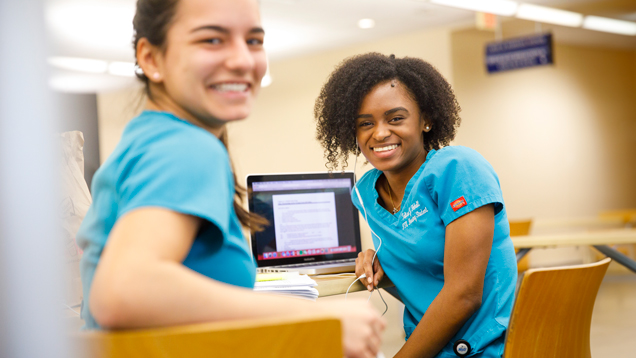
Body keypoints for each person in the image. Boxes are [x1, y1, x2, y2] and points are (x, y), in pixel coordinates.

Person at [76, 1, 385, 357]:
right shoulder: (187, 146)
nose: (242, 60)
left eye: (254, 41)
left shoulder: (147, 138)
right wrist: (317, 320)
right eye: (211, 40)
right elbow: (123, 290)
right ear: (150, 58)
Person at [314, 53, 517, 358]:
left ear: (426, 120)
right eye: (365, 124)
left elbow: (464, 295)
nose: (380, 133)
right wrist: (376, 261)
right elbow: (422, 277)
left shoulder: (458, 168)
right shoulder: (366, 195)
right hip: (430, 346)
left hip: (484, 348)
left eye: (396, 118)